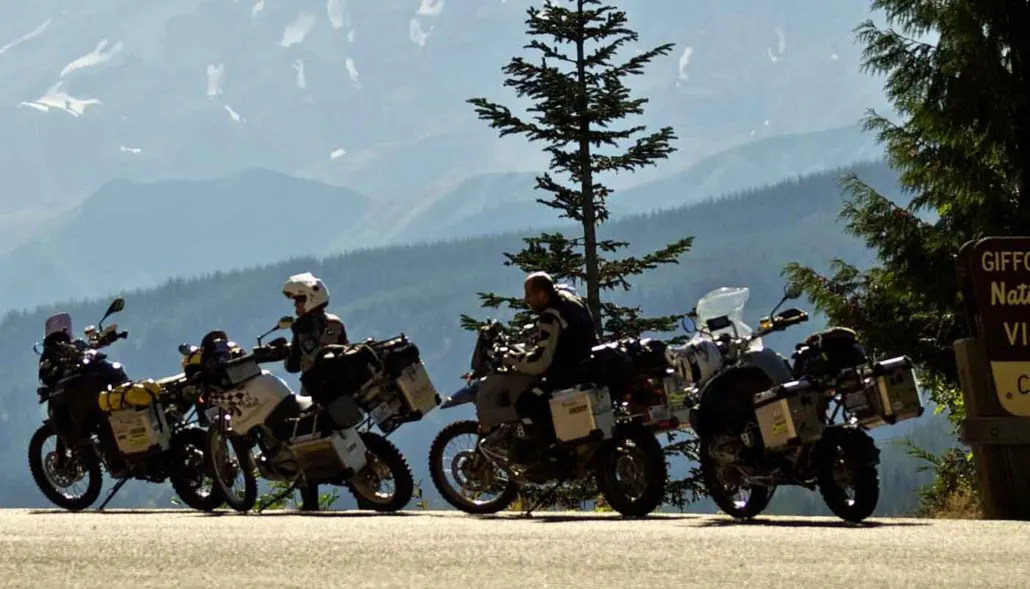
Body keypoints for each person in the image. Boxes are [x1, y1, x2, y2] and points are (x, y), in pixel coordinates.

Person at [503, 271, 599, 447]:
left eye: (529, 294)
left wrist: (513, 359)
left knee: (526, 403)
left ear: (542, 294)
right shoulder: (570, 298)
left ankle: (552, 452)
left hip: (569, 374)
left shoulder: (551, 314)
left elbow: (540, 362)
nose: (526, 299)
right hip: (590, 364)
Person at [280, 271, 349, 511]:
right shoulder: (336, 322)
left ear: (309, 298)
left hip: (315, 389)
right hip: (343, 386)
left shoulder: (303, 326)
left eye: (298, 300)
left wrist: (287, 353)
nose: (295, 306)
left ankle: (310, 502)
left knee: (300, 439)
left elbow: (292, 365)